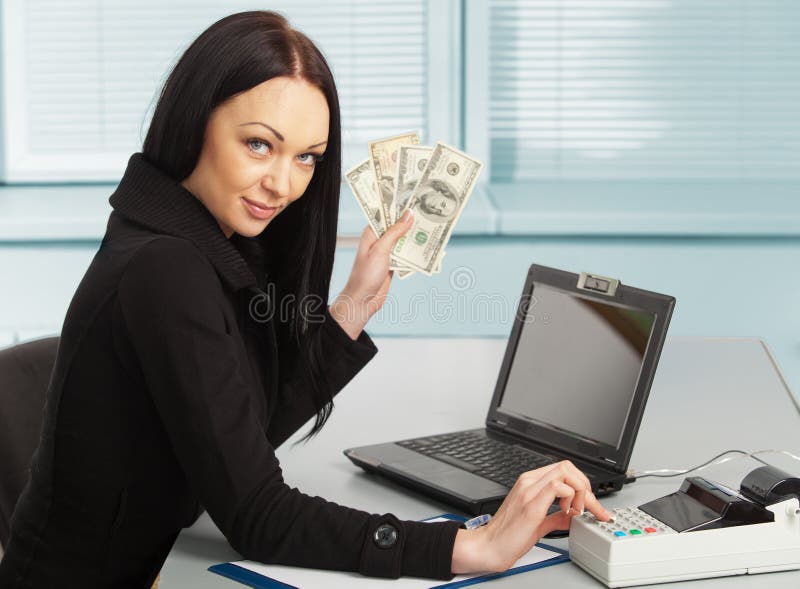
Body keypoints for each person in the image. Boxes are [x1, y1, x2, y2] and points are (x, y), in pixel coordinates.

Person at [0, 10, 609, 588]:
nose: (284, 185)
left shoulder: (189, 238)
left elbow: (241, 433)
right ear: (195, 120)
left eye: (307, 158)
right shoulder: (165, 268)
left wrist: (352, 308)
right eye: (259, 145)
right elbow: (257, 515)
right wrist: (466, 546)